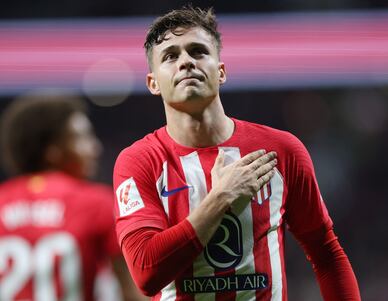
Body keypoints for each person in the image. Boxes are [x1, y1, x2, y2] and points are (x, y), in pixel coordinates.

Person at [113, 6, 361, 301]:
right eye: (170, 56)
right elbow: (146, 272)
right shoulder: (139, 162)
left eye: (198, 51)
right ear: (153, 83)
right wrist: (221, 198)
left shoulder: (281, 151)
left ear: (221, 72)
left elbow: (326, 254)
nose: (186, 62)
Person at [0, 93, 147, 301]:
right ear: (53, 151)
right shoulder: (96, 203)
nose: (95, 149)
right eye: (82, 137)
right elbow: (134, 292)